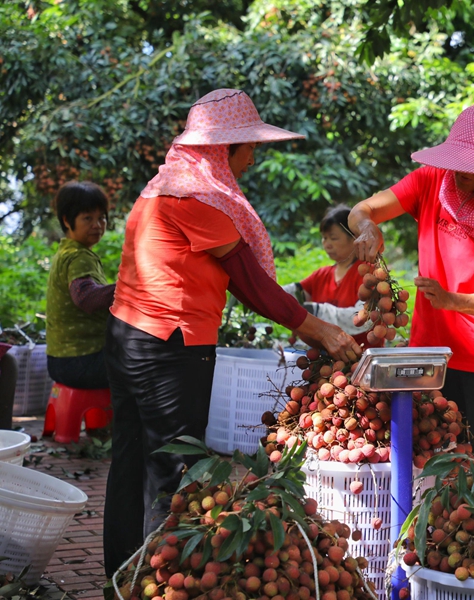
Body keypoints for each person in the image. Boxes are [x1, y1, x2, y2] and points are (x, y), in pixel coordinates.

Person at [103, 89, 361, 577]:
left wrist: (309, 327)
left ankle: (121, 575)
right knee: (172, 472)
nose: (252, 159)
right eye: (249, 148)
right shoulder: (192, 198)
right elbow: (250, 283)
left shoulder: (161, 187)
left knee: (131, 461)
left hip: (128, 338)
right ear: (224, 150)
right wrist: (319, 331)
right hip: (169, 347)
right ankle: (158, 582)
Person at [349, 103, 474, 453]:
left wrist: (450, 300)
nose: (461, 171)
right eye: (458, 161)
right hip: (431, 354)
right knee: (431, 461)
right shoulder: (430, 181)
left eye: (473, 166)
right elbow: (363, 209)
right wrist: (366, 228)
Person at [45, 181, 116, 389]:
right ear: (67, 221)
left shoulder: (65, 252)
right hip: (82, 361)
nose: (97, 225)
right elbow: (85, 297)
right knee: (148, 367)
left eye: (101, 218)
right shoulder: (78, 257)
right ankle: (121, 423)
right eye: (88, 218)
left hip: (60, 361)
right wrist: (130, 287)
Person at [283, 204, 370, 346]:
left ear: (355, 238)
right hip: (324, 359)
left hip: (359, 359)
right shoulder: (321, 275)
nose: (327, 244)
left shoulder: (367, 273)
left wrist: (317, 311)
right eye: (324, 238)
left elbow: (362, 317)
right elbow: (292, 292)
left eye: (333, 238)